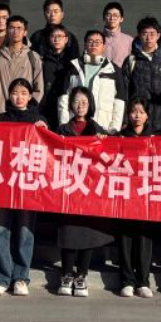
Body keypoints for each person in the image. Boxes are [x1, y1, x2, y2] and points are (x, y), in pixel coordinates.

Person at [0, 78, 49, 296]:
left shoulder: (38, 119)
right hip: (2, 184)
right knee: (0, 230)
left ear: (30, 96)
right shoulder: (1, 118)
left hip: (27, 185)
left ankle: (21, 277)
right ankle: (2, 276)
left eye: (24, 93)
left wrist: (44, 130)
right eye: (15, 92)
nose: (19, 97)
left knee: (25, 231)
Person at [55, 87, 113, 298]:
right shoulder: (63, 129)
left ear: (90, 105)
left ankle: (81, 274)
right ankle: (66, 273)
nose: (80, 106)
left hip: (90, 188)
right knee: (69, 229)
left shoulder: (96, 129)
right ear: (70, 104)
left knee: (88, 231)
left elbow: (109, 154)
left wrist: (103, 139)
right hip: (69, 186)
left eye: (84, 102)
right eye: (76, 102)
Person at [116, 97, 155, 299]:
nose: (137, 115)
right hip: (126, 193)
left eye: (141, 111)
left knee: (144, 237)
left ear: (147, 115)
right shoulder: (120, 136)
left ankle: (143, 281)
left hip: (147, 194)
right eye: (133, 111)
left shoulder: (155, 137)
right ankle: (127, 280)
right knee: (125, 237)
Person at [123, 17, 161, 132]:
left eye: (152, 34)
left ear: (158, 35)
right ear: (139, 35)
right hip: (138, 123)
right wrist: (125, 119)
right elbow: (125, 92)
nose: (148, 38)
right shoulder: (131, 60)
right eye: (145, 34)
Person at [58, 30, 126, 134]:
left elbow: (119, 102)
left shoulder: (113, 70)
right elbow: (63, 98)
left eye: (98, 42)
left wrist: (114, 129)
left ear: (104, 46)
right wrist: (64, 125)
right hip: (75, 129)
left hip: (103, 128)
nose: (94, 45)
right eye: (90, 42)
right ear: (85, 45)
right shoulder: (73, 67)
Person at [0, 15, 44, 120]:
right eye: (12, 28)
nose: (15, 31)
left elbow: (39, 88)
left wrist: (29, 109)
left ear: (25, 32)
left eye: (19, 28)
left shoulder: (33, 57)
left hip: (25, 115)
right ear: (7, 31)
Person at [38, 23, 73, 129]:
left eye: (60, 36)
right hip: (47, 104)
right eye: (53, 36)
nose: (56, 39)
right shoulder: (42, 60)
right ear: (49, 39)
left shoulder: (72, 60)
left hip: (66, 103)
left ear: (66, 39)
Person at [102, 1, 134, 68]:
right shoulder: (96, 39)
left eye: (115, 15)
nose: (112, 18)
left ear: (121, 19)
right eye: (109, 15)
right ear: (104, 18)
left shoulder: (129, 40)